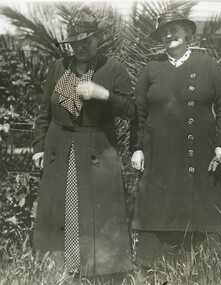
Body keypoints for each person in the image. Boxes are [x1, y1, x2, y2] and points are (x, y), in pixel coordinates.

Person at [32, 8, 135, 281]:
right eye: (76, 43)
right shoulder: (58, 67)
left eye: (87, 41)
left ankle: (100, 271)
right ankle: (63, 270)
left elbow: (131, 110)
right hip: (59, 150)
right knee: (62, 208)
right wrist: (38, 147)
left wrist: (102, 94)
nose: (81, 47)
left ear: (97, 39)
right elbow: (44, 110)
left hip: (96, 150)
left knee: (93, 212)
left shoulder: (112, 68)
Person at [130, 11, 221, 266]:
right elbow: (138, 112)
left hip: (199, 153)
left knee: (200, 206)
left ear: (187, 32)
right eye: (163, 32)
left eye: (174, 29)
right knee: (158, 207)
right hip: (159, 155)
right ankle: (154, 267)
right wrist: (137, 148)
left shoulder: (208, 65)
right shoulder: (151, 69)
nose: (168, 35)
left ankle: (205, 267)